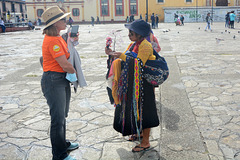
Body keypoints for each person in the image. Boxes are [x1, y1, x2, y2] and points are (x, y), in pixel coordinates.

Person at [105, 19, 159, 152]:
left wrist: (121, 56)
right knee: (137, 110)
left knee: (146, 112)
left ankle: (146, 142)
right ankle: (140, 133)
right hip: (135, 84)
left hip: (144, 85)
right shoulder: (133, 44)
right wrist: (112, 54)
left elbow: (138, 64)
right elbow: (126, 58)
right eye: (129, 32)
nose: (129, 34)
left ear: (140, 33)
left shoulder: (145, 46)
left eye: (132, 32)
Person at [41, 6, 79, 160]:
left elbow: (67, 50)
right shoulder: (53, 41)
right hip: (54, 81)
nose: (66, 21)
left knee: (62, 115)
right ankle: (59, 155)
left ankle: (62, 144)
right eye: (63, 19)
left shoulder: (58, 38)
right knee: (57, 119)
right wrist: (76, 73)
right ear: (55, 24)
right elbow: (64, 64)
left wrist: (72, 39)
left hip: (59, 79)